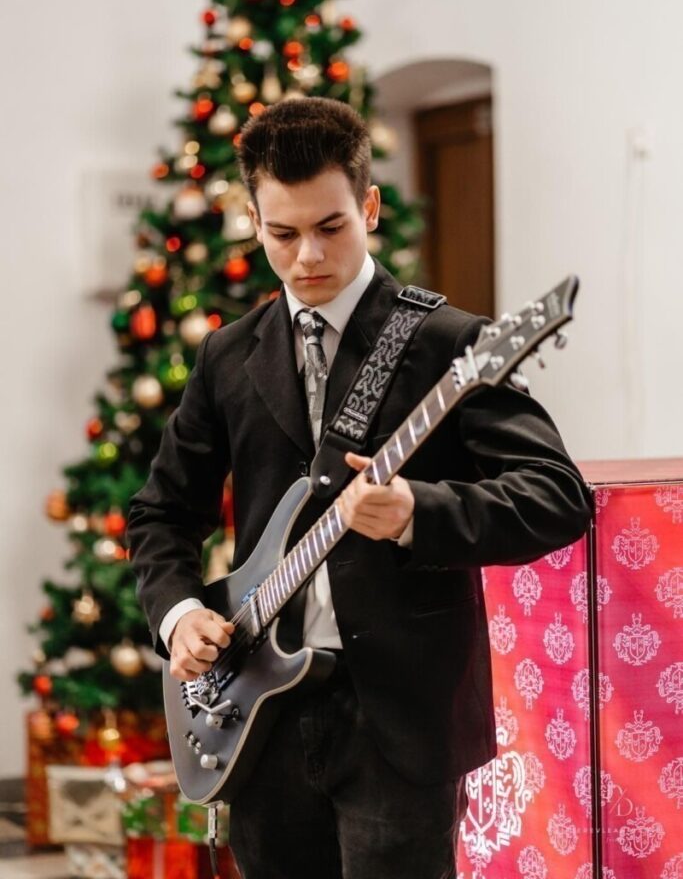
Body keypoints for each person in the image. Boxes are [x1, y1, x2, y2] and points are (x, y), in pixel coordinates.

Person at [127, 96, 593, 879]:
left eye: (330, 226)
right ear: (254, 222)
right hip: (257, 717)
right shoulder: (227, 357)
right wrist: (179, 617)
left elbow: (555, 496)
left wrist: (417, 512)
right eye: (282, 234)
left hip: (398, 718)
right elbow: (161, 513)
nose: (307, 255)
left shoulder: (448, 343)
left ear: (368, 207)